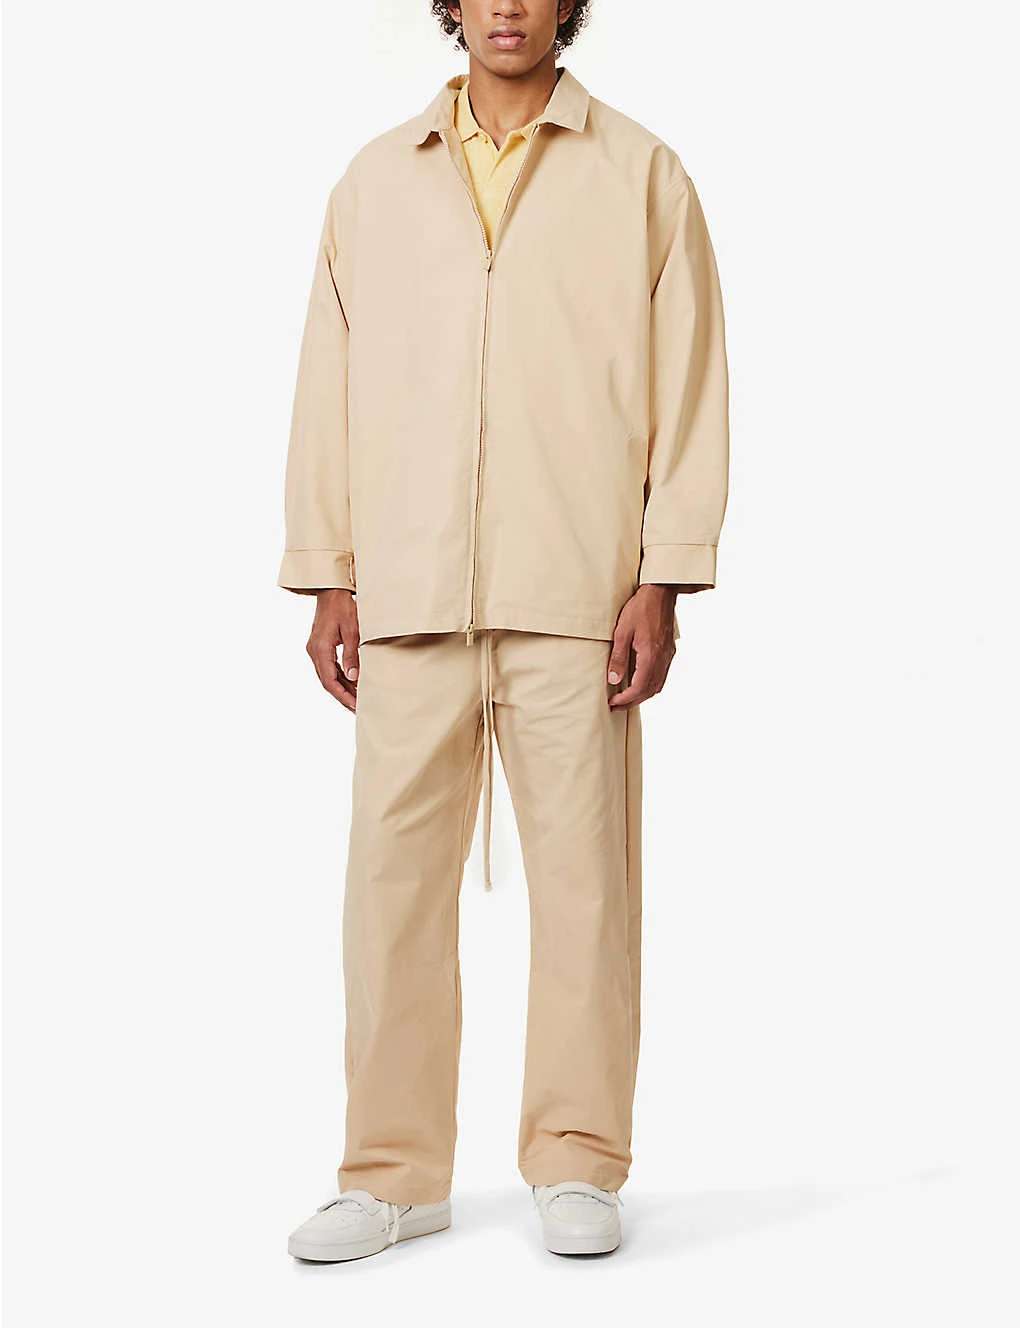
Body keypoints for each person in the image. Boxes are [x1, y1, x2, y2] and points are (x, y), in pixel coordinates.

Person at [279, 0, 729, 1261]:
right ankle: (391, 1171)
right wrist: (328, 572)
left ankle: (578, 1157)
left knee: (587, 891)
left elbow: (692, 382)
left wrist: (663, 575)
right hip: (410, 588)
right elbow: (328, 383)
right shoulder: (375, 183)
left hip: (577, 593)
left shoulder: (643, 174)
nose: (509, 5)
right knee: (388, 892)